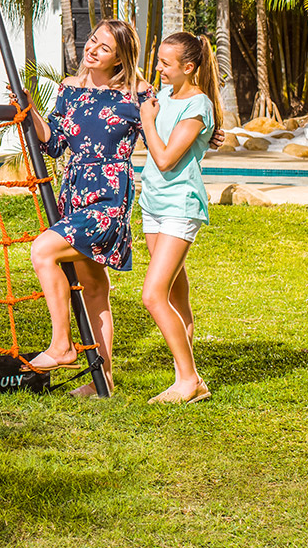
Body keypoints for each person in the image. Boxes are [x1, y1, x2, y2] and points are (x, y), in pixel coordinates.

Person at [24, 20, 152, 394]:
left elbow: (164, 131)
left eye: (104, 47)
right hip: (75, 191)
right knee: (94, 286)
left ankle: (62, 346)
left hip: (110, 195)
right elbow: (53, 142)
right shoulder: (69, 89)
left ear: (120, 59)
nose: (92, 49)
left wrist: (208, 131)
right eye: (93, 40)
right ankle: (103, 381)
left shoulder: (137, 94)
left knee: (43, 250)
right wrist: (30, 108)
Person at [137, 32, 219, 404]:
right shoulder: (165, 96)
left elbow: (166, 158)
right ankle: (183, 377)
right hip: (153, 203)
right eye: (158, 61)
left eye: (166, 64)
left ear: (189, 67)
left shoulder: (197, 105)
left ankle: (190, 380)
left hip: (179, 206)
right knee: (173, 294)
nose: (158, 69)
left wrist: (148, 122)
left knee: (153, 296)